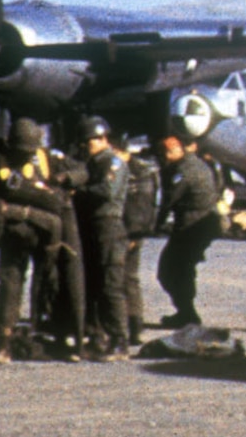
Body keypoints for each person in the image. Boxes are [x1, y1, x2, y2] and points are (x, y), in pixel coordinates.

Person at [0, 117, 84, 363]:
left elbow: (81, 171)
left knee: (49, 283)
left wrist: (65, 180)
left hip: (46, 234)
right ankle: (4, 339)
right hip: (13, 233)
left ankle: (53, 334)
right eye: (21, 151)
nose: (25, 155)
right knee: (10, 284)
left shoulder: (48, 157)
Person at [74, 116, 130, 359]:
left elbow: (107, 191)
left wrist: (79, 192)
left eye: (92, 140)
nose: (88, 145)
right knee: (94, 284)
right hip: (93, 226)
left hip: (109, 226)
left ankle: (120, 340)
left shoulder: (113, 162)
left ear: (103, 138)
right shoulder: (94, 162)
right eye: (85, 142)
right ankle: (97, 335)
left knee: (110, 285)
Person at [156, 135, 223, 327]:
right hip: (202, 225)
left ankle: (187, 314)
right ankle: (186, 312)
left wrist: (154, 224)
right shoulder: (199, 164)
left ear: (179, 149)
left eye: (168, 152)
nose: (165, 156)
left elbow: (168, 200)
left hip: (191, 228)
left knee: (169, 270)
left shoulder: (184, 171)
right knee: (182, 269)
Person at [122, 137, 159, 345]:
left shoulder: (138, 172)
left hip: (130, 232)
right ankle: (131, 326)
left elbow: (143, 204)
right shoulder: (135, 169)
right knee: (126, 279)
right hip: (122, 230)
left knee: (126, 279)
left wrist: (135, 234)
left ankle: (134, 326)